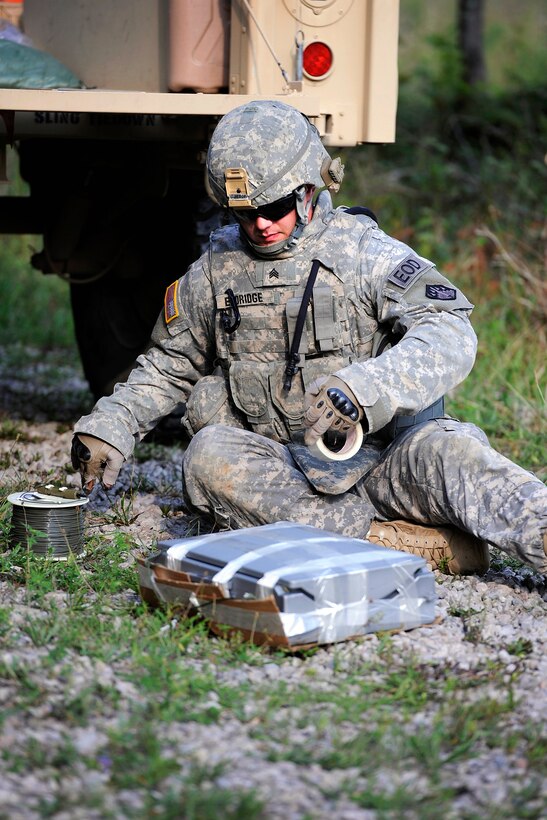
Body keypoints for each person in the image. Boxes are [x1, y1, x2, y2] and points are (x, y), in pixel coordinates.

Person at [71, 100, 547, 575]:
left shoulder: (363, 252)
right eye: (243, 212)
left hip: (388, 461)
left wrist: (366, 388)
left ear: (308, 190)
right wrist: (112, 424)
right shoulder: (215, 271)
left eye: (274, 208)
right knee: (207, 459)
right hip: (283, 472)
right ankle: (399, 544)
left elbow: (449, 330)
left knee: (457, 455)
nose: (260, 224)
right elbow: (169, 364)